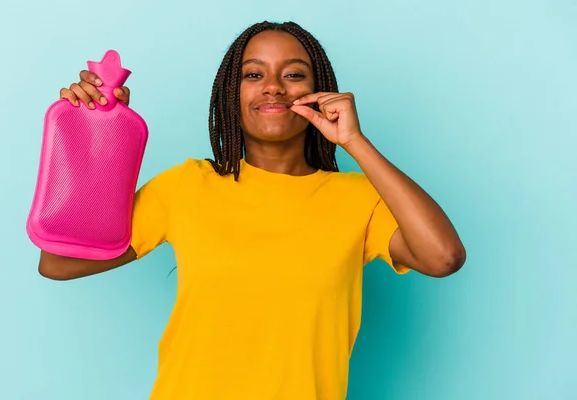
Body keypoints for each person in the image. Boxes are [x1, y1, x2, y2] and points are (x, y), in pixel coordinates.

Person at [38, 21, 466, 400]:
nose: (274, 86)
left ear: (320, 92)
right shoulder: (187, 186)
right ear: (231, 93)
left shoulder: (359, 199)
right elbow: (57, 262)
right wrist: (95, 138)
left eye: (294, 74)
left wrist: (355, 142)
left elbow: (443, 256)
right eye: (253, 74)